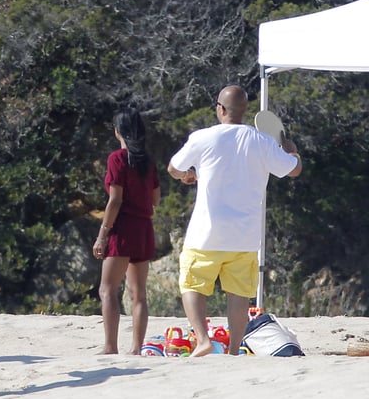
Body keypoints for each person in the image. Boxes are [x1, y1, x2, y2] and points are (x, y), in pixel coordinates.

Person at [166, 85, 303, 357]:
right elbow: (294, 170)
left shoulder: (202, 137)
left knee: (192, 284)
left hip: (207, 231)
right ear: (244, 110)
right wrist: (293, 150)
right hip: (245, 234)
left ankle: (203, 339)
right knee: (239, 295)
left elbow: (173, 168)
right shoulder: (261, 141)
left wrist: (187, 175)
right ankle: (232, 349)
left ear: (220, 108)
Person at [92, 108, 160, 354]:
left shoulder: (117, 159)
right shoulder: (148, 162)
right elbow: (156, 199)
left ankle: (110, 345)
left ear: (118, 131)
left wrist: (103, 234)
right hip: (144, 228)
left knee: (107, 289)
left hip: (123, 228)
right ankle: (136, 348)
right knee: (138, 293)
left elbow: (115, 200)